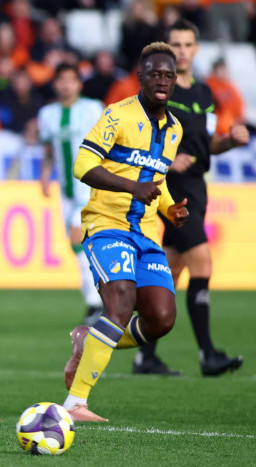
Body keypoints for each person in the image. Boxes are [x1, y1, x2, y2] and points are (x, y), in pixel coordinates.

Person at [61, 42, 189, 422]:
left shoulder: (175, 129)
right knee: (118, 305)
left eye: (168, 75)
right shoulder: (117, 115)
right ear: (140, 77)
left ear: (175, 80)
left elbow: (157, 180)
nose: (162, 81)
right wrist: (132, 188)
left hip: (146, 234)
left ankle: (88, 339)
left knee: (161, 319)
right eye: (154, 74)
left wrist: (169, 209)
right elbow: (82, 165)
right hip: (107, 225)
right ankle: (75, 403)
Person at [133, 19, 248, 376]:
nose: (182, 51)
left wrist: (231, 141)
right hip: (171, 189)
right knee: (202, 264)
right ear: (166, 49)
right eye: (176, 45)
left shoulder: (204, 94)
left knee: (170, 270)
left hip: (197, 187)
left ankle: (144, 356)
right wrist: (166, 162)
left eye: (187, 45)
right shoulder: (159, 93)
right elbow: (139, 139)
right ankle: (208, 354)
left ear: (196, 49)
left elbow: (208, 144)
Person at [38, 63, 104, 326]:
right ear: (56, 84)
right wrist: (45, 174)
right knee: (79, 245)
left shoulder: (93, 108)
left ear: (79, 84)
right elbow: (49, 150)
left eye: (71, 80)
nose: (66, 85)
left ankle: (96, 302)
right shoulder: (47, 114)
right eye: (61, 80)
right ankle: (100, 298)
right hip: (65, 189)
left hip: (90, 186)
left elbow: (110, 142)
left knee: (79, 239)